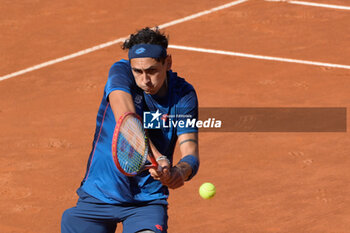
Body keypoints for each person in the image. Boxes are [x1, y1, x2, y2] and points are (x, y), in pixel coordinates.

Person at [61, 27, 200, 233]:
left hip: (146, 201)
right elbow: (126, 119)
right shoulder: (120, 73)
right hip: (100, 192)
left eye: (152, 70)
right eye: (138, 71)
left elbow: (191, 153)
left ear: (168, 63)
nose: (145, 80)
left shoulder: (183, 95)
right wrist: (159, 157)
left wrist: (180, 171)